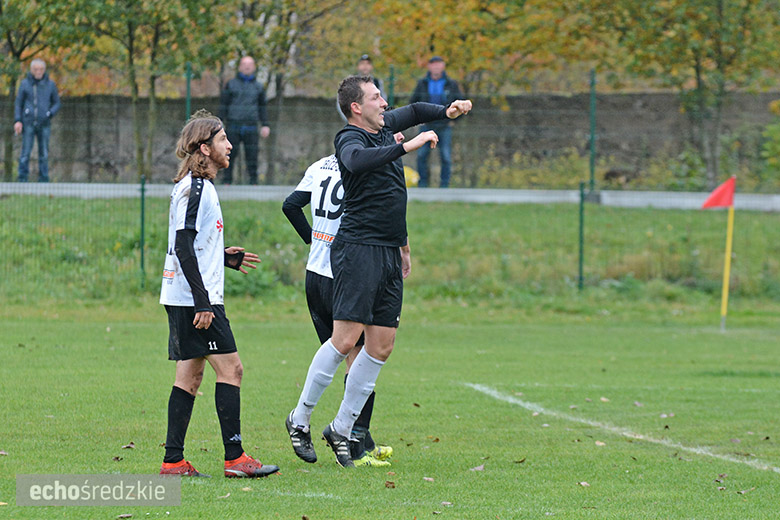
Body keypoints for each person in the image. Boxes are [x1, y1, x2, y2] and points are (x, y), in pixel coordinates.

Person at [284, 75, 471, 467]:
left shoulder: (384, 127)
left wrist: (447, 111)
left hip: (387, 251)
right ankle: (299, 418)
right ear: (356, 107)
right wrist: (407, 146)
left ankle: (342, 427)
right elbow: (356, 162)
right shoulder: (349, 138)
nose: (384, 103)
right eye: (375, 97)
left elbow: (416, 110)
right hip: (358, 249)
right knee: (344, 341)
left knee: (381, 345)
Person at [159, 109, 279, 478]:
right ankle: (235, 458)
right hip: (195, 300)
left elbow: (191, 244)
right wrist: (203, 301)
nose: (230, 146)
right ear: (204, 148)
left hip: (183, 296)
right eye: (223, 140)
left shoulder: (198, 187)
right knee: (232, 369)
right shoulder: (196, 189)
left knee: (189, 378)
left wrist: (221, 257)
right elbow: (182, 245)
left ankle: (173, 462)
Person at [282, 145, 402, 468]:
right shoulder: (364, 169)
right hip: (346, 271)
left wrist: (313, 239)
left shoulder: (319, 165)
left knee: (349, 352)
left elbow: (290, 205)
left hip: (315, 273)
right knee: (356, 354)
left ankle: (359, 437)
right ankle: (354, 441)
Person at [409, 56, 464, 188]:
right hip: (426, 125)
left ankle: (444, 186)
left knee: (445, 156)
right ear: (429, 66)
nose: (436, 67)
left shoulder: (451, 84)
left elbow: (461, 103)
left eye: (438, 64)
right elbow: (412, 103)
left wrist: (453, 120)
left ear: (443, 66)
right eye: (433, 64)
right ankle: (423, 185)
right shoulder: (422, 84)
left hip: (444, 126)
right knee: (422, 155)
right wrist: (418, 120)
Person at [218, 56, 270, 185]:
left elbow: (262, 108)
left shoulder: (259, 87)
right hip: (233, 126)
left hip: (251, 127)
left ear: (254, 67)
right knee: (229, 154)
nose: (247, 66)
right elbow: (224, 105)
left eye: (250, 64)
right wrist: (219, 122)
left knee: (252, 156)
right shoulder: (231, 84)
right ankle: (227, 181)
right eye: (244, 64)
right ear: (240, 67)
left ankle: (253, 182)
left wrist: (265, 125)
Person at [13, 58, 60, 182]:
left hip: (44, 123)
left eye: (41, 69)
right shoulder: (25, 84)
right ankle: (22, 179)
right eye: (36, 69)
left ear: (44, 70)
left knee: (44, 152)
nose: (38, 71)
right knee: (25, 152)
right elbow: (19, 103)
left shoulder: (50, 85)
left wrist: (49, 113)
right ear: (31, 70)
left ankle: (43, 179)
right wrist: (18, 120)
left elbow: (56, 103)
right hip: (28, 123)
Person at [337, 54, 385, 123]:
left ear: (371, 66)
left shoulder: (377, 82)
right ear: (358, 66)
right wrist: (349, 119)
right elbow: (342, 102)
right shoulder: (351, 83)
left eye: (368, 63)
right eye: (362, 63)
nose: (365, 66)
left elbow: (382, 99)